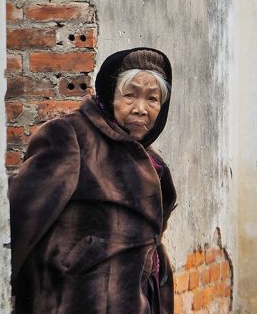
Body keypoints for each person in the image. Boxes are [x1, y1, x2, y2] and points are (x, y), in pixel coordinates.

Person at [9, 47, 177, 314]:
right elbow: (20, 220)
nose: (141, 109)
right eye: (130, 95)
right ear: (110, 96)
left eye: (153, 99)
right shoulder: (71, 136)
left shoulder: (152, 164)